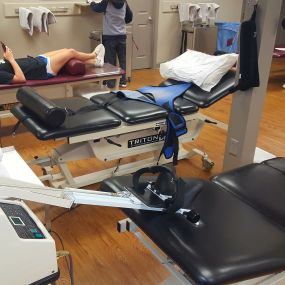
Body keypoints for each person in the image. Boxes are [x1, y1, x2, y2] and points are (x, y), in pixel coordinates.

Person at [0, 44, 105, 85]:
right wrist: (11, 59)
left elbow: (8, 67)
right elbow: (21, 78)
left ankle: (95, 62)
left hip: (37, 60)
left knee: (65, 50)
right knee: (71, 52)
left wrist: (6, 58)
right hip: (43, 69)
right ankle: (93, 55)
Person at [88, 0, 133, 88]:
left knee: (110, 61)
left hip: (110, 36)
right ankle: (123, 82)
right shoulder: (124, 2)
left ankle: (111, 83)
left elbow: (96, 8)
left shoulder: (106, 2)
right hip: (122, 36)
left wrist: (92, 3)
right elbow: (129, 17)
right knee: (122, 60)